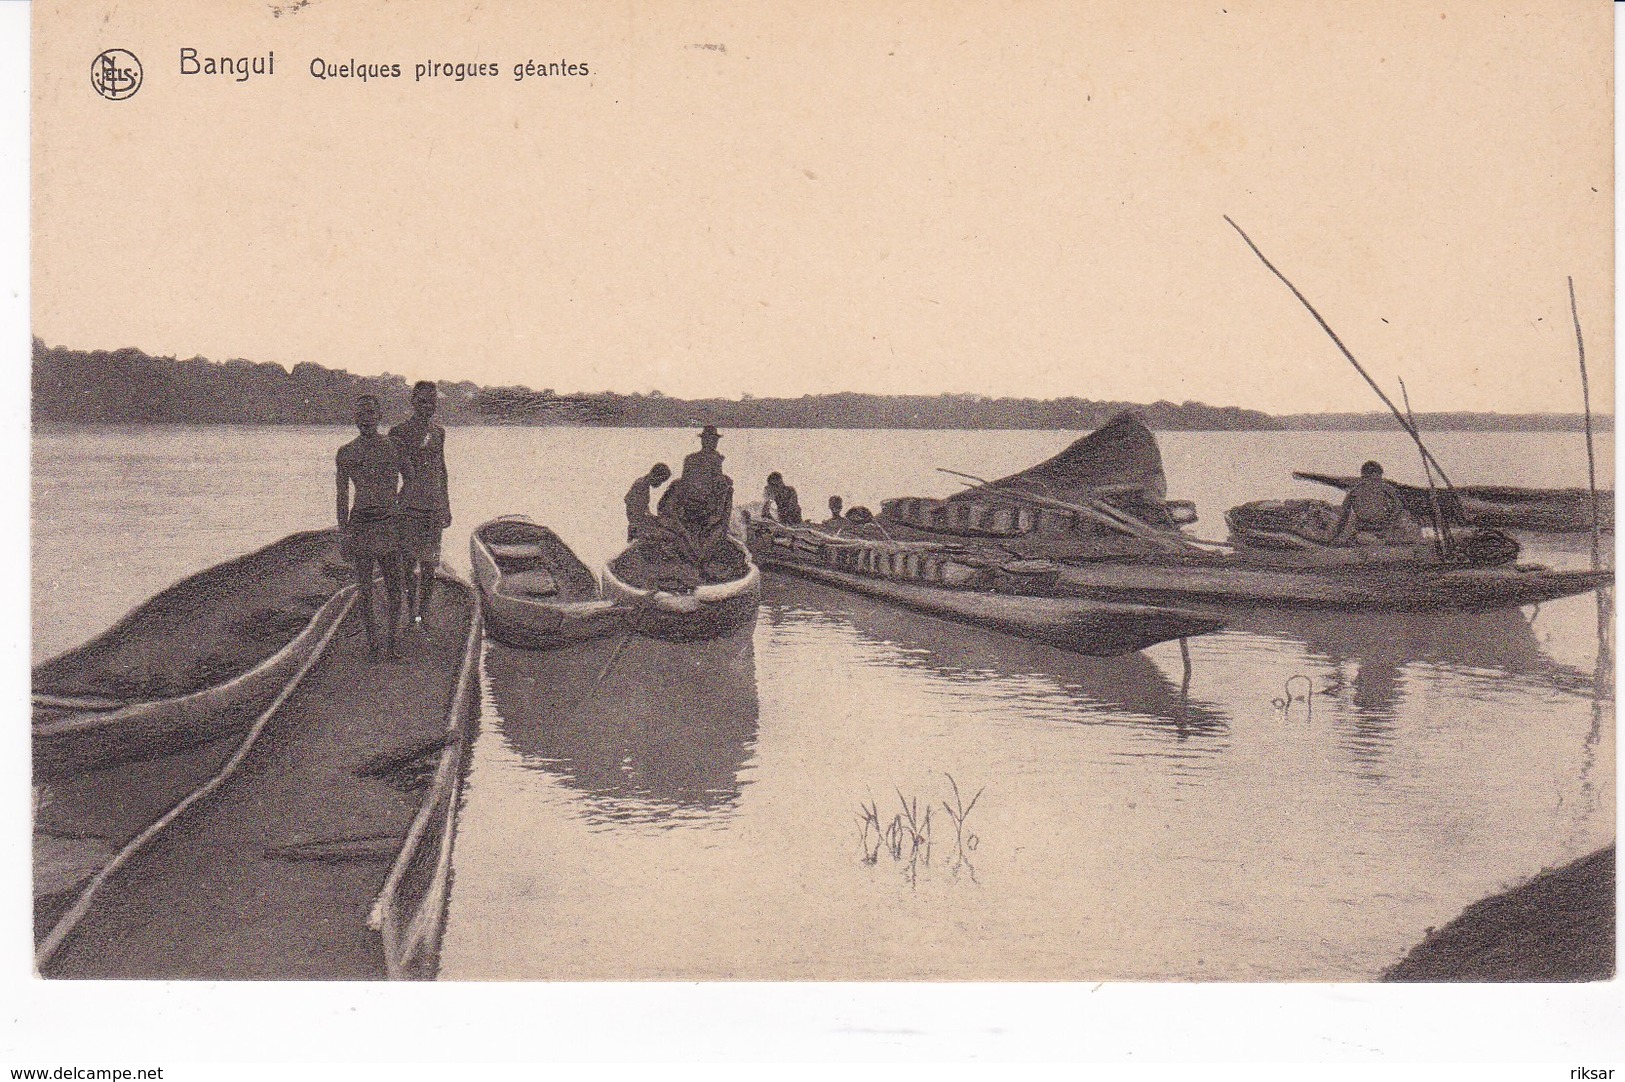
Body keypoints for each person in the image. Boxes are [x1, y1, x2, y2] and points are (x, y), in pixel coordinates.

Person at [336, 394, 405, 660]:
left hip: (389, 522)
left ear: (379, 417)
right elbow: (342, 496)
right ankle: (373, 643)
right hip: (362, 522)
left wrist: (398, 506)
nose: (366, 419)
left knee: (394, 584)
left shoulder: (393, 446)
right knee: (364, 586)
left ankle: (393, 640)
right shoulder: (347, 452)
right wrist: (344, 533)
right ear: (355, 419)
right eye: (361, 414)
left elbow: (410, 478)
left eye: (371, 413)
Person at [389, 380, 452, 630]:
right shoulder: (398, 433)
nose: (428, 407)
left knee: (430, 564)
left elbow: (442, 470)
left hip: (434, 507)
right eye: (423, 401)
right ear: (413, 403)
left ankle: (422, 615)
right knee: (408, 564)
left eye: (432, 402)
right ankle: (411, 611)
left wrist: (446, 505)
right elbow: (393, 473)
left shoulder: (439, 432)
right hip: (409, 507)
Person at [657, 426, 735, 567]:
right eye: (713, 440)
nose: (714, 443)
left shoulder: (690, 459)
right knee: (729, 492)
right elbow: (717, 483)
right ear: (706, 441)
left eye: (715, 440)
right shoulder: (715, 459)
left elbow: (687, 481)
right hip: (704, 508)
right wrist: (726, 481)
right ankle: (721, 532)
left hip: (688, 504)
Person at [1333, 460, 1422, 546]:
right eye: (1378, 475)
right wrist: (1390, 521)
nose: (1379, 479)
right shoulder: (1382, 488)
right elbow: (1399, 506)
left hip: (1372, 528)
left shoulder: (1355, 491)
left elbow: (1344, 516)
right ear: (1374, 474)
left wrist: (1336, 536)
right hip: (1374, 528)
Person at [625, 463, 672, 540]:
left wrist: (655, 519)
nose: (659, 484)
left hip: (638, 524)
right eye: (660, 481)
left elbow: (644, 509)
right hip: (638, 526)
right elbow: (636, 511)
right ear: (654, 475)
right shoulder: (640, 485)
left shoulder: (643, 484)